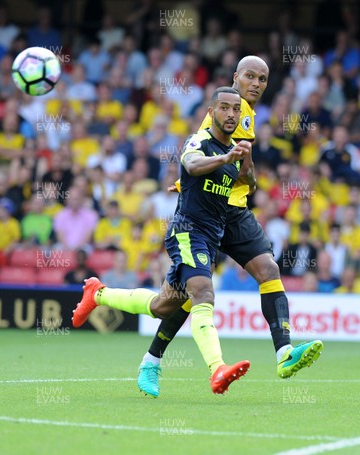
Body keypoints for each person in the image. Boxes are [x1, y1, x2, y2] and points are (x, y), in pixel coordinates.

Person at [135, 56, 323, 397]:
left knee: (267, 270)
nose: (256, 83)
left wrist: (245, 174)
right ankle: (152, 359)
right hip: (205, 213)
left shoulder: (247, 116)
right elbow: (200, 147)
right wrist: (187, 178)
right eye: (249, 76)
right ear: (235, 77)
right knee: (186, 297)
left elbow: (238, 170)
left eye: (262, 79)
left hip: (234, 211)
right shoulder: (225, 109)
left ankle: (283, 353)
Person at [73, 87, 254, 395]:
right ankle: (217, 369)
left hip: (211, 237)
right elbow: (193, 164)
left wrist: (244, 160)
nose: (231, 114)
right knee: (203, 292)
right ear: (211, 112)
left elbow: (249, 182)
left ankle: (98, 293)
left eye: (236, 110)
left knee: (162, 307)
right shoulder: (201, 142)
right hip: (187, 230)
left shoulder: (236, 150)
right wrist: (225, 157)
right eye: (224, 108)